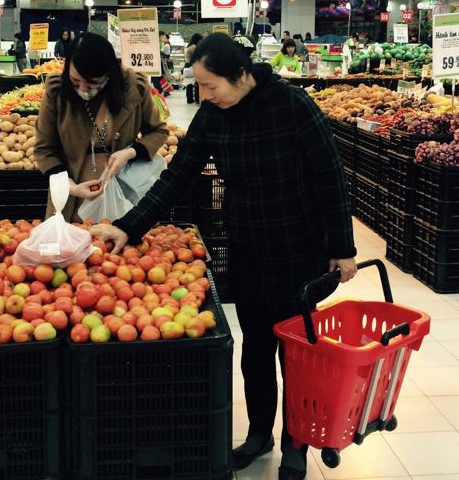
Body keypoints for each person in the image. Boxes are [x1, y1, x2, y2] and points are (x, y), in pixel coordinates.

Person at [89, 33, 357, 480]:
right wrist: (129, 225)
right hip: (248, 248)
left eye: (210, 85)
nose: (204, 94)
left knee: (296, 356)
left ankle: (296, 443)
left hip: (298, 249)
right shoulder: (214, 115)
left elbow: (330, 177)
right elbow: (178, 175)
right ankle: (259, 434)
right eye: (201, 86)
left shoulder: (292, 105)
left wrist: (342, 249)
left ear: (241, 75)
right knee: (256, 352)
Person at [35, 32, 169, 222]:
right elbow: (44, 149)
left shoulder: (134, 88)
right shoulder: (57, 92)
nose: (83, 89)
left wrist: (129, 153)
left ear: (108, 74)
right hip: (71, 201)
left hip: (122, 197)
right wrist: (70, 186)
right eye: (75, 81)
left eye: (92, 83)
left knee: (119, 238)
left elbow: (158, 131)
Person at [185, 33, 202, 104]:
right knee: (195, 83)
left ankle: (189, 99)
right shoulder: (194, 47)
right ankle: (196, 99)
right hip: (191, 65)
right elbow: (196, 57)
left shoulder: (190, 46)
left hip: (187, 65)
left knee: (189, 84)